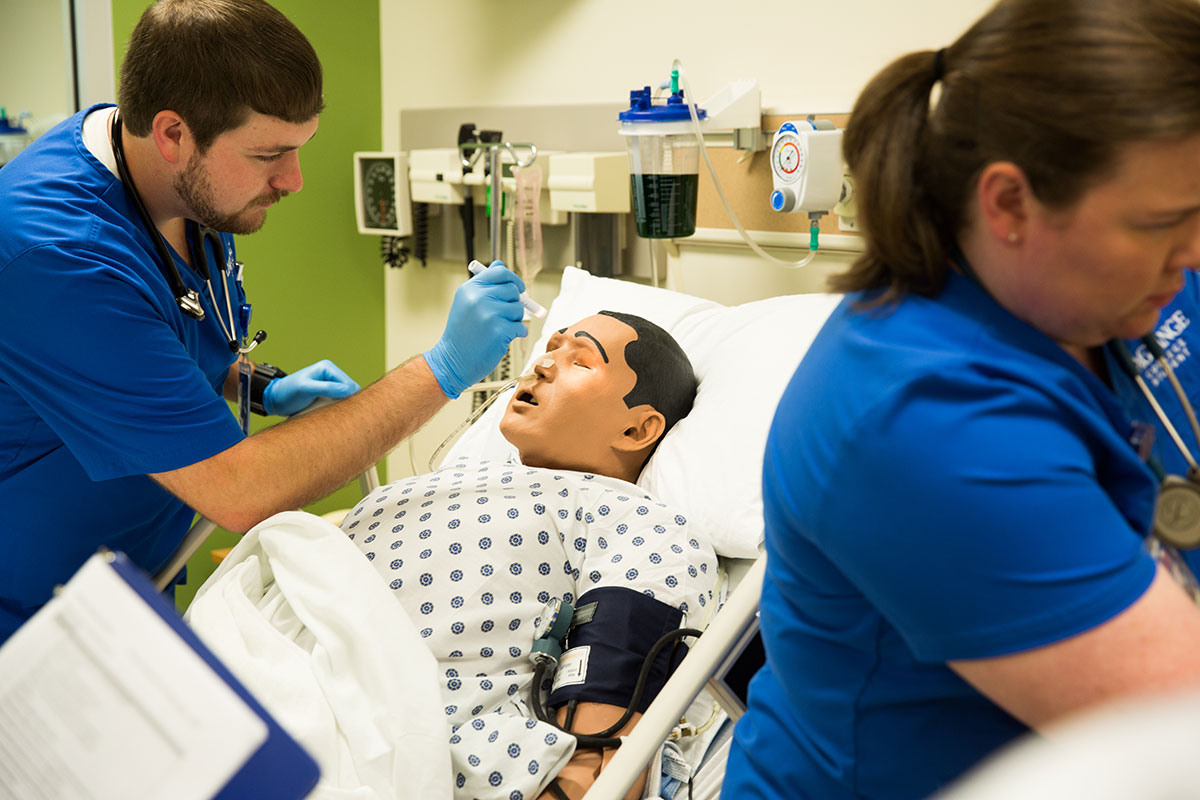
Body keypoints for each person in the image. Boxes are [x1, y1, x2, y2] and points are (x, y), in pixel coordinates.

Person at [722, 0, 1200, 797]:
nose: (1192, 255)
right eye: (1164, 222)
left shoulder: (1130, 287)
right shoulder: (923, 421)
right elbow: (1179, 729)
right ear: (1009, 203)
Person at [0, 0, 527, 644]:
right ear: (172, 134)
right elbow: (239, 490)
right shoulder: (57, 252)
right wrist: (439, 370)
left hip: (126, 586)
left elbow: (163, 330)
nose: (295, 180)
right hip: (28, 617)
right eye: (269, 155)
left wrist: (254, 386)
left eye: (300, 149)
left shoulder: (163, 178)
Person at [341, 311, 716, 800]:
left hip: (380, 749)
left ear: (636, 430)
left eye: (580, 361)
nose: (541, 366)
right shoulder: (411, 490)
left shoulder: (635, 519)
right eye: (550, 349)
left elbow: (599, 758)